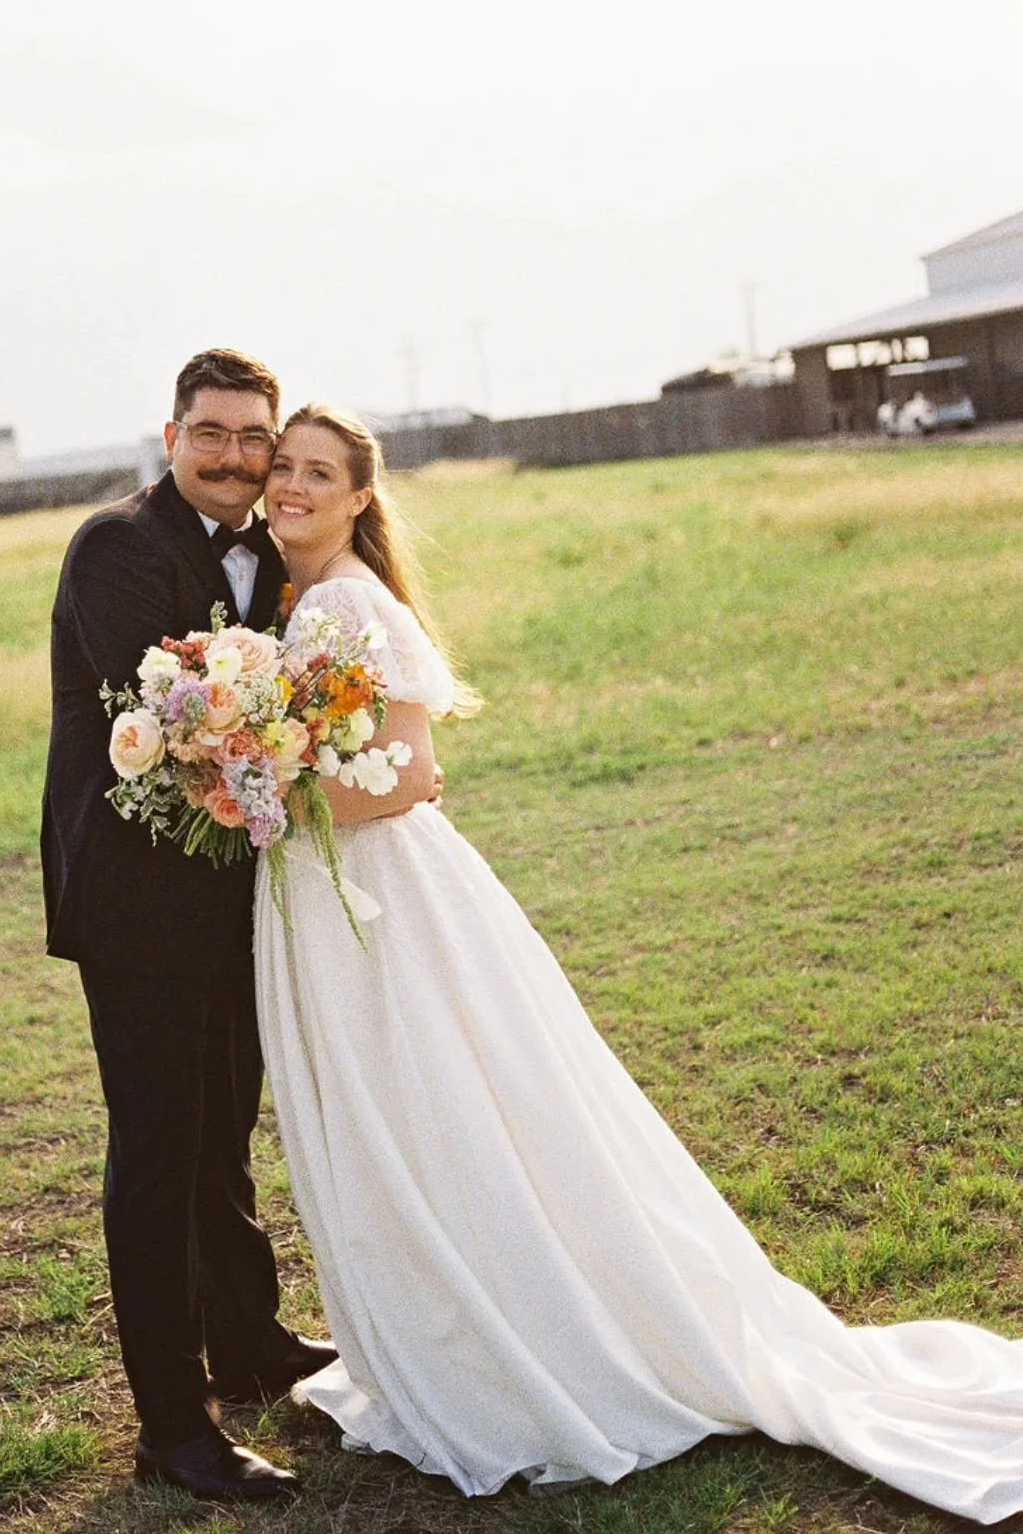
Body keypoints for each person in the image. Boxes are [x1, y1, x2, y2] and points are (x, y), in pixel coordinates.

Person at [254, 403, 1023, 1525]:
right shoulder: (296, 600)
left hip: (381, 900)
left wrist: (257, 795)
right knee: (400, 1112)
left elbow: (409, 775)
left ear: (361, 497)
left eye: (319, 472)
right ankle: (439, 1329)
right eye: (283, 466)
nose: (292, 485)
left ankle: (510, 1350)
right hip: (335, 893)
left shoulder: (345, 602)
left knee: (431, 1107)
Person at [40, 350, 336, 1505]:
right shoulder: (116, 546)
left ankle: (249, 1342)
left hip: (233, 899)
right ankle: (173, 1426)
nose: (232, 456)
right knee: (160, 1152)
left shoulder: (275, 554)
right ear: (171, 438)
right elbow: (167, 715)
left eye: (253, 436)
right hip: (136, 906)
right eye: (209, 433)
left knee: (224, 1130)